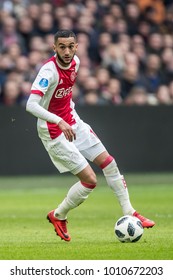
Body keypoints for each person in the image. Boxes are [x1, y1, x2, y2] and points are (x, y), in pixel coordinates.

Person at [26, 30, 155, 242]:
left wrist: (68, 115)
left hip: (72, 121)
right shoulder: (48, 71)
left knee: (109, 162)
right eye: (62, 47)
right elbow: (31, 105)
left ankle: (130, 211)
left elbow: (63, 96)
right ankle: (58, 215)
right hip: (53, 130)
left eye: (70, 46)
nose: (67, 51)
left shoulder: (75, 62)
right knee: (90, 180)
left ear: (76, 47)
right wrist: (58, 120)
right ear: (54, 48)